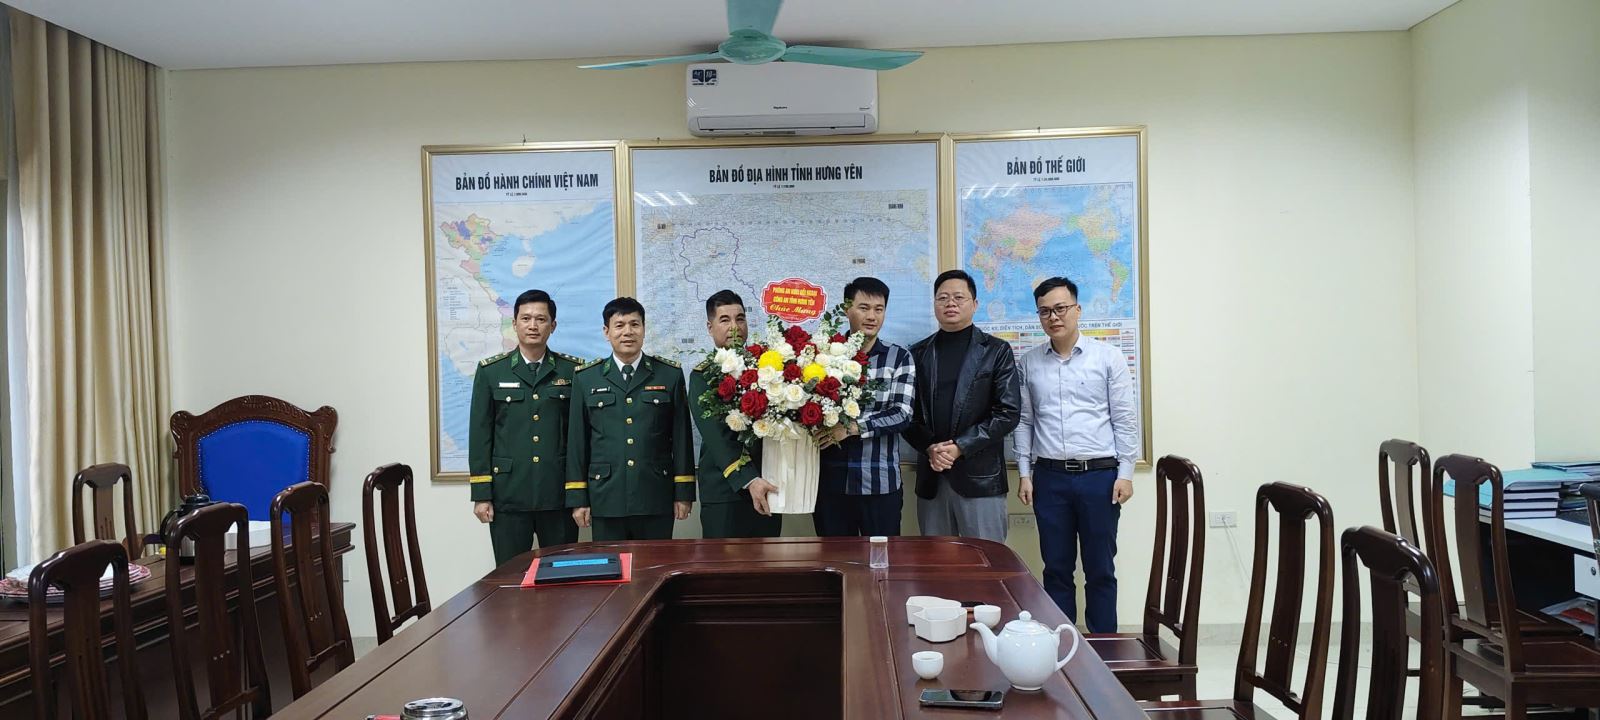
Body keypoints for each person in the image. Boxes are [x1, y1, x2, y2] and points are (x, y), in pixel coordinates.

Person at [1015, 276, 1141, 632]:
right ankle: (1059, 647)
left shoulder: (1108, 357)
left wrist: (1126, 474)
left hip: (1100, 477)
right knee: (1056, 569)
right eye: (1045, 311)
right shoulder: (1029, 363)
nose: (1053, 317)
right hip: (1049, 478)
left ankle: (1104, 650)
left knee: (1100, 569)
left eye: (1060, 308)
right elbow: (1024, 421)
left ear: (1077, 309)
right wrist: (1025, 473)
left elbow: (1124, 419)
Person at [468, 289, 585, 566]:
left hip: (557, 495)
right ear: (514, 323)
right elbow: (480, 435)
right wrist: (482, 495)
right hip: (508, 495)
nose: (533, 325)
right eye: (526, 318)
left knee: (560, 576)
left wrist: (579, 495)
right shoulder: (491, 372)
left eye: (541, 319)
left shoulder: (573, 372)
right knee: (509, 577)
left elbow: (580, 437)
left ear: (552, 326)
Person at [566, 297, 695, 541]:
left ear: (644, 329)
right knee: (611, 563)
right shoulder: (586, 378)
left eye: (635, 324)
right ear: (606, 332)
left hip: (655, 494)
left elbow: (681, 438)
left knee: (656, 563)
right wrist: (578, 497)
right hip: (606, 496)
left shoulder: (669, 375)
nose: (628, 332)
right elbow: (577, 443)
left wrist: (683, 492)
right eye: (619, 325)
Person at [904, 269, 1020, 541]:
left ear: (975, 304)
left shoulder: (996, 351)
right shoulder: (918, 353)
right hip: (933, 474)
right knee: (936, 561)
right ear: (935, 304)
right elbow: (907, 414)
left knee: (986, 560)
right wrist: (931, 448)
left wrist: (960, 447)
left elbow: (1008, 412)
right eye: (943, 297)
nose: (950, 303)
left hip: (980, 477)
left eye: (959, 297)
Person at [814, 277, 915, 537]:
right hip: (831, 483)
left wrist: (850, 428)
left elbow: (902, 414)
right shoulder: (824, 355)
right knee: (834, 558)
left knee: (881, 559)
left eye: (878, 309)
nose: (872, 316)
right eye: (864, 308)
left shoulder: (899, 357)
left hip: (880, 483)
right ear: (847, 309)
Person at [689, 290, 783, 538]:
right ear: (710, 327)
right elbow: (717, 438)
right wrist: (750, 480)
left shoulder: (765, 368)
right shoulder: (702, 376)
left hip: (767, 485)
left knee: (768, 559)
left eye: (740, 319)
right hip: (724, 492)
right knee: (723, 561)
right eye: (725, 320)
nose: (734, 327)